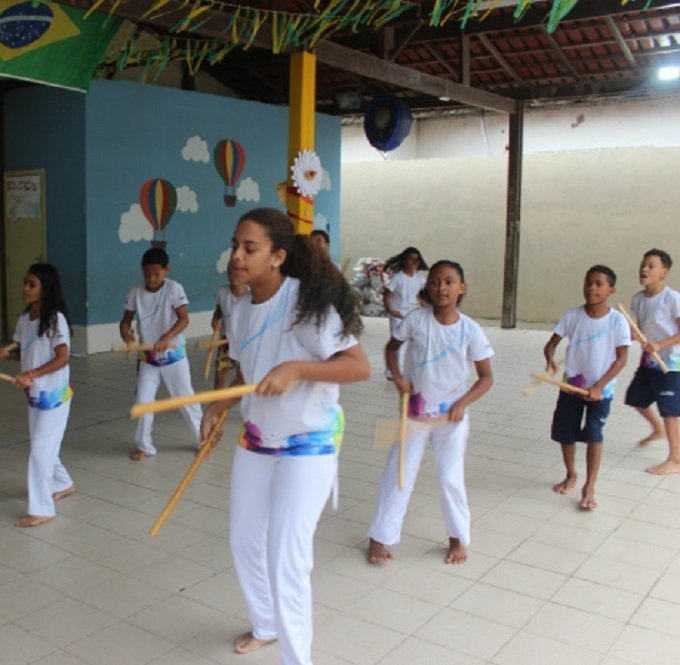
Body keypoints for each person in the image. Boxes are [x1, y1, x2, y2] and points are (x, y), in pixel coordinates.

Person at [199, 208, 370, 665]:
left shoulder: (304, 304)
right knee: (244, 540)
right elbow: (245, 368)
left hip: (308, 443)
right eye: (235, 245)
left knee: (286, 557)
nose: (236, 255)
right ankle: (267, 623)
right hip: (257, 439)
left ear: (277, 256)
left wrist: (297, 368)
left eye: (249, 248)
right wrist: (219, 406)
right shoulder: (238, 307)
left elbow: (358, 366)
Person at [367, 260, 493, 566]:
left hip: (451, 418)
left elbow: (486, 377)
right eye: (435, 281)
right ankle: (380, 537)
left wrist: (462, 403)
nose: (441, 288)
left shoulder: (470, 330)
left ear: (462, 288)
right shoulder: (416, 319)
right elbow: (392, 348)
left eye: (449, 282)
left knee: (450, 477)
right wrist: (397, 377)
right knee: (399, 474)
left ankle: (457, 538)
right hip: (415, 414)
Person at [0, 263, 76, 527]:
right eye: (25, 283)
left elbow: (62, 357)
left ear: (46, 288)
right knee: (43, 446)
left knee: (41, 450)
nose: (25, 289)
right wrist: (8, 355)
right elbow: (29, 353)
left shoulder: (55, 319)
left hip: (55, 396)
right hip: (35, 395)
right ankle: (63, 482)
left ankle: (42, 508)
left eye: (32, 284)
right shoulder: (23, 320)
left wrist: (31, 375)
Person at [543, 265, 630, 510]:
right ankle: (571, 473)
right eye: (588, 282)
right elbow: (551, 344)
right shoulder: (572, 315)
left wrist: (600, 385)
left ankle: (589, 486)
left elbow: (622, 358)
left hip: (601, 392)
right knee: (565, 433)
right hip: (572, 386)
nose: (592, 288)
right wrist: (549, 359)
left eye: (599, 284)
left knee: (594, 435)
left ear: (610, 290)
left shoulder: (617, 321)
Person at [119, 247, 202, 461]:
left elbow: (183, 319)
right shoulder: (135, 292)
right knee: (143, 401)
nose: (151, 278)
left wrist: (167, 337)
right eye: (147, 274)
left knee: (185, 398)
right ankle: (145, 446)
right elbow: (126, 320)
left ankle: (203, 440)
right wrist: (126, 335)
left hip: (174, 356)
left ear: (167, 270)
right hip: (148, 357)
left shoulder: (174, 289)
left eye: (156, 274)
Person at [623, 249, 680, 475]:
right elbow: (639, 328)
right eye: (643, 265)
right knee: (636, 398)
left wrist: (661, 344)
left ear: (664, 272)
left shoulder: (672, 298)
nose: (644, 269)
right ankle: (658, 429)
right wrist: (632, 335)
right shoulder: (637, 299)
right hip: (649, 362)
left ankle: (675, 459)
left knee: (669, 411)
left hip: (672, 363)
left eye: (651, 266)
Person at [381, 246, 428, 379]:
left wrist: (424, 305)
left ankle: (407, 368)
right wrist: (390, 310)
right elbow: (387, 294)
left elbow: (422, 294)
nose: (413, 263)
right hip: (398, 313)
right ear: (404, 261)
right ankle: (391, 371)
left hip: (412, 314)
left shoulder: (419, 278)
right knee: (397, 342)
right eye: (410, 260)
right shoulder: (398, 277)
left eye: (416, 261)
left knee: (411, 342)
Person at [210, 265, 248, 389]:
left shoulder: (250, 293)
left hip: (245, 343)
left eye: (236, 273)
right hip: (226, 341)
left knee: (242, 377)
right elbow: (219, 311)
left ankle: (227, 402)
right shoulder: (222, 292)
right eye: (230, 273)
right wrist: (215, 320)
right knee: (220, 375)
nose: (232, 277)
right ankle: (219, 405)